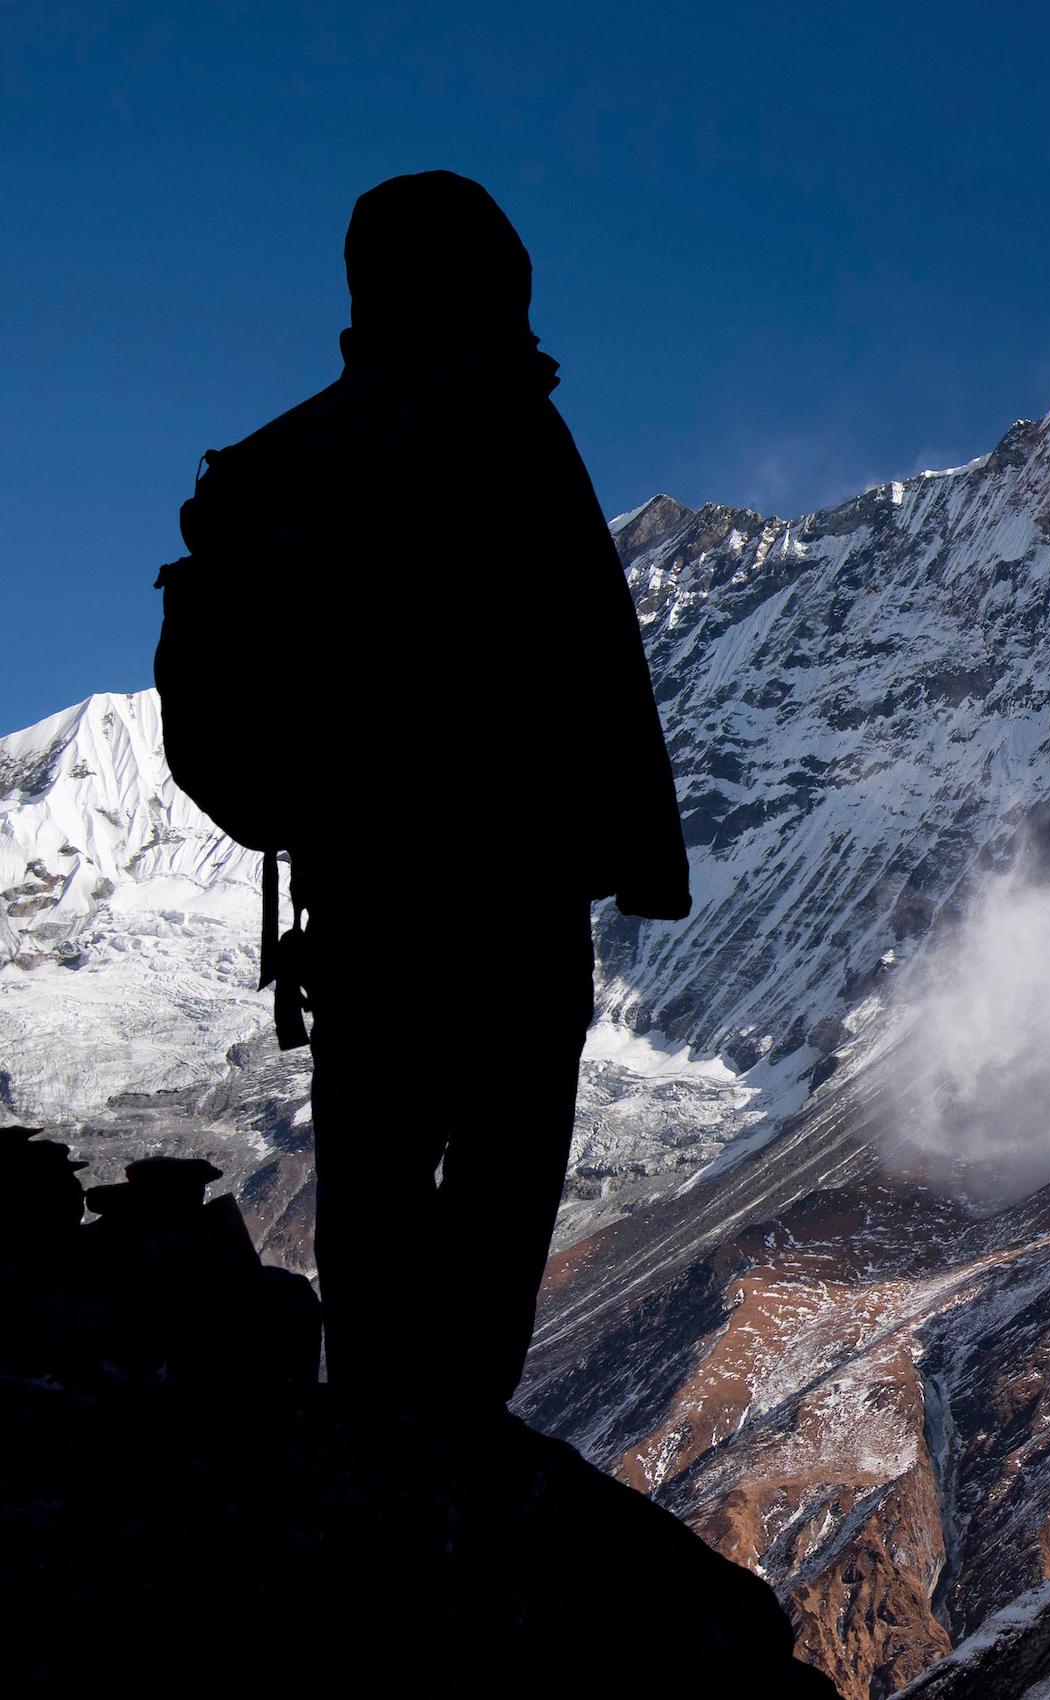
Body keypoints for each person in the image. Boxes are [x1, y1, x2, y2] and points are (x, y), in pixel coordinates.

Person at [173, 171, 690, 1405]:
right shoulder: (504, 423)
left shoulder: (281, 462)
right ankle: (451, 1480)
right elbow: (596, 647)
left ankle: (372, 1467)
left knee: (373, 1203)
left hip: (355, 908)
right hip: (511, 900)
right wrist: (641, 858)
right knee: (499, 1198)